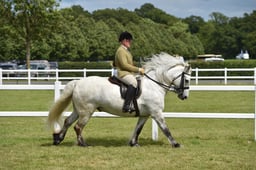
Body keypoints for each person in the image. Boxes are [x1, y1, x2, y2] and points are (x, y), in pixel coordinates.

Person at [114, 31, 145, 112]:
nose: (130, 42)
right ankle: (126, 105)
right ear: (124, 40)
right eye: (129, 40)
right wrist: (138, 69)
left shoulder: (126, 50)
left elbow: (130, 64)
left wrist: (140, 68)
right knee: (133, 83)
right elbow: (124, 65)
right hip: (122, 73)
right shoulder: (121, 50)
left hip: (128, 73)